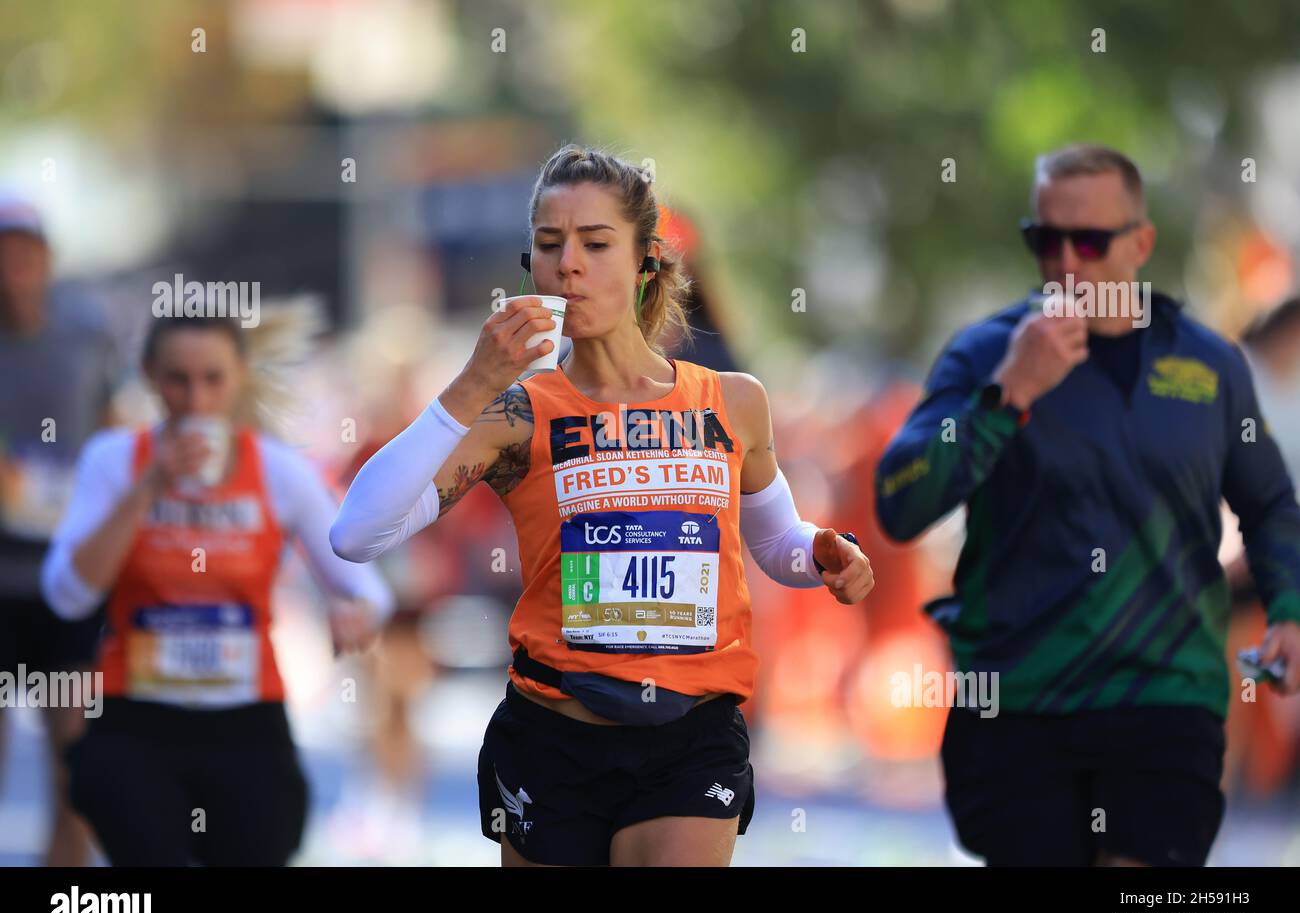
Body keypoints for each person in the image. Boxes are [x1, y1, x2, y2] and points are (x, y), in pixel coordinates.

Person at [331, 144, 875, 867]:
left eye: (596, 243)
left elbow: (778, 544)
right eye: (550, 246)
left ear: (647, 260)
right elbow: (356, 534)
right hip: (555, 740)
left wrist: (824, 555)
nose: (570, 266)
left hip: (692, 740)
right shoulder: (516, 415)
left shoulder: (733, 401)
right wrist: (467, 388)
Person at [875, 143, 1300, 867]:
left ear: (1141, 242)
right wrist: (1008, 396)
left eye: (1092, 241)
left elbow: (1268, 502)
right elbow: (901, 501)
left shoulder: (1208, 365)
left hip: (1166, 698)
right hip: (1016, 704)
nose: (1068, 261)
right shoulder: (986, 354)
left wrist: (1288, 608)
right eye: (1047, 240)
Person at [40, 304, 394, 866]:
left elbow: (368, 588)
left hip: (246, 721)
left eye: (212, 380)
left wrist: (357, 613)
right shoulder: (115, 461)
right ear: (151, 379)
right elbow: (67, 594)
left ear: (239, 380)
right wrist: (150, 485)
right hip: (135, 717)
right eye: (178, 381)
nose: (196, 400)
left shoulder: (278, 470)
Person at [0, 193, 123, 866]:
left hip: (70, 580)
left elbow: (113, 432)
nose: (13, 267)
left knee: (74, 761)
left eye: (25, 251)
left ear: (45, 258)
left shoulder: (85, 335)